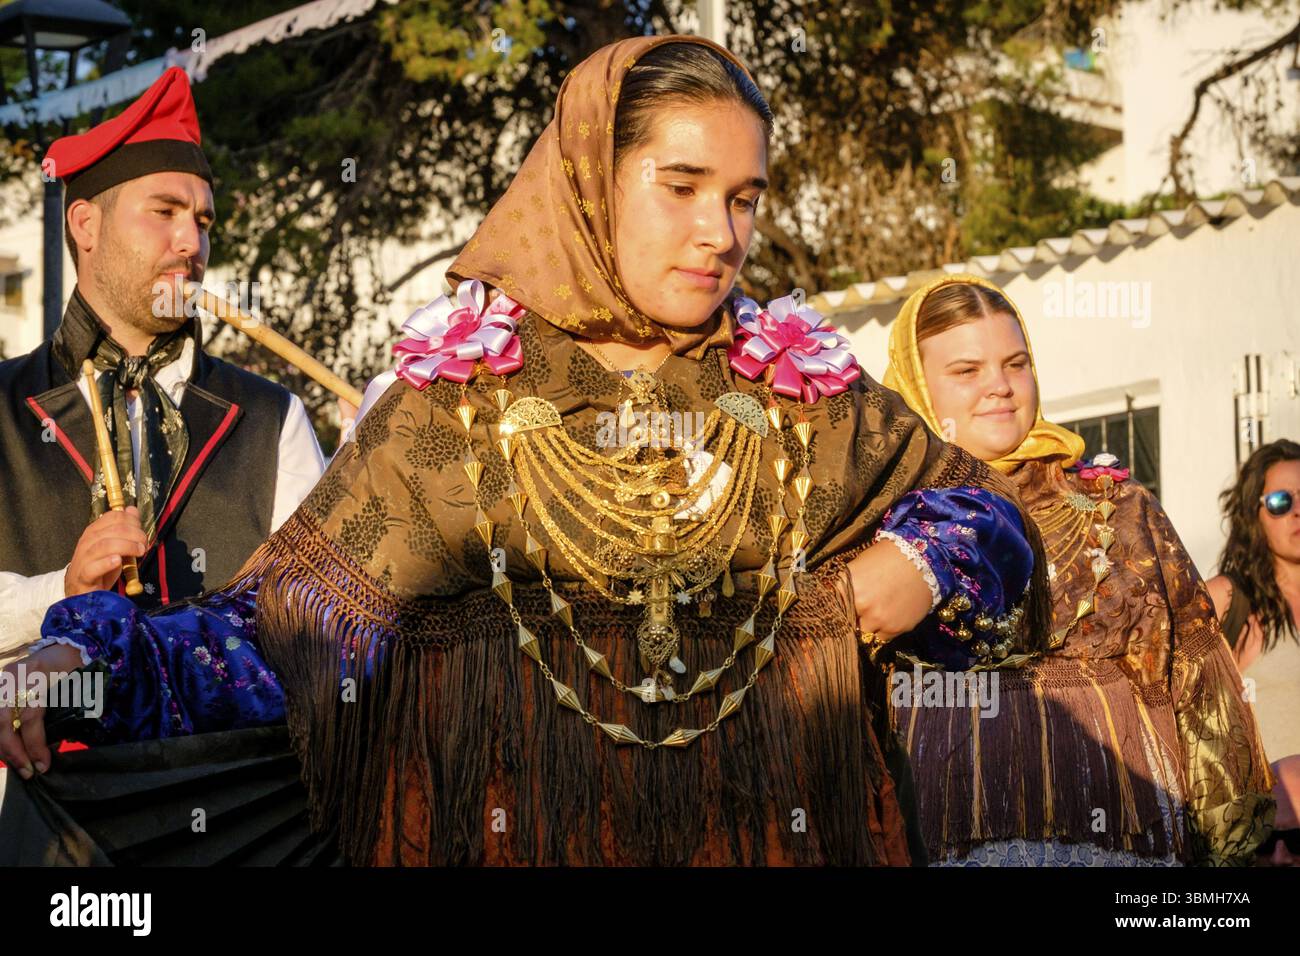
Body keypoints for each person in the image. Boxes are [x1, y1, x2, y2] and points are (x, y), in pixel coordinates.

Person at [1, 37, 1049, 866]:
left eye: (742, 197)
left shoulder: (798, 392)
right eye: (679, 186)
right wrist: (81, 659)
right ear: (593, 178)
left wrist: (914, 563)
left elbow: (993, 524)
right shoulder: (453, 407)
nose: (720, 233)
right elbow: (284, 633)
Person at [880, 273, 1273, 866]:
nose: (1001, 388)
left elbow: (1197, 680)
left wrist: (1232, 853)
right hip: (940, 840)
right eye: (967, 371)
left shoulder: (1120, 509)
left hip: (1120, 841)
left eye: (1016, 364)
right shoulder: (882, 528)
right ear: (914, 387)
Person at [0, 67, 324, 680]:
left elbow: (319, 622)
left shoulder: (273, 418)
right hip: (41, 773)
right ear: (86, 225)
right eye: (165, 211)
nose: (191, 244)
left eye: (202, 221)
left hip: (233, 772)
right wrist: (58, 591)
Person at [1207, 439, 1300, 761]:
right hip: (1263, 809)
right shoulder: (1227, 600)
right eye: (1280, 502)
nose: (1297, 511)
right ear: (1253, 513)